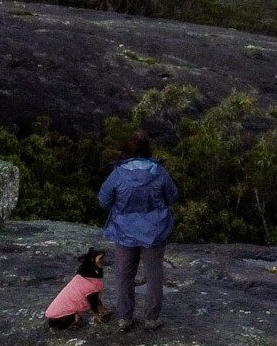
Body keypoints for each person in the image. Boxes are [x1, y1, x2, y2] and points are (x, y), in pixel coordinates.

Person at [96, 133, 179, 332]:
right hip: (155, 232)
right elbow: (173, 196)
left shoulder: (118, 173)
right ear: (147, 149)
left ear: (126, 150)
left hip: (124, 232)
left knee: (124, 274)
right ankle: (151, 319)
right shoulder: (158, 171)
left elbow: (104, 201)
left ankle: (125, 318)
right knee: (154, 274)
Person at [44, 247, 107, 331]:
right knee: (93, 299)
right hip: (60, 319)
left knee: (93, 298)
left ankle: (97, 311)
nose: (103, 261)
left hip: (56, 317)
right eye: (101, 259)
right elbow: (93, 300)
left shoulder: (83, 278)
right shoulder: (89, 283)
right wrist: (97, 314)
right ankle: (93, 315)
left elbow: (95, 297)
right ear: (92, 261)